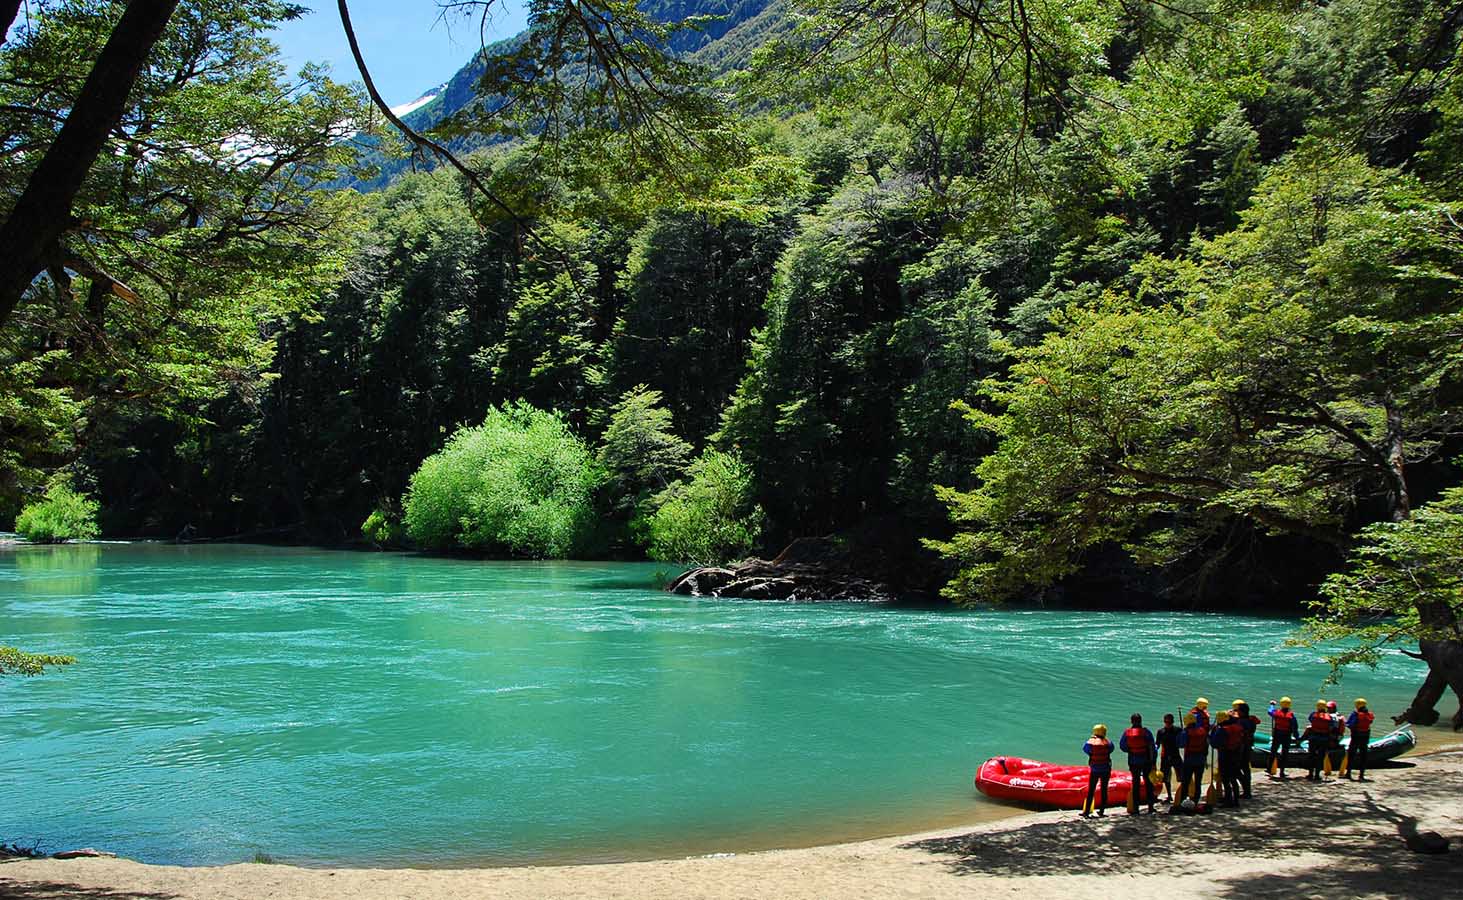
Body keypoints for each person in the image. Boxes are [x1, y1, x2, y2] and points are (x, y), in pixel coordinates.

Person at [1120, 713, 1157, 814]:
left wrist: (1132, 749)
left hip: (1133, 761)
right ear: (1141, 721)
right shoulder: (1146, 732)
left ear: (1131, 721)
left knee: (1135, 784)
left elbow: (1122, 747)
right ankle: (1150, 807)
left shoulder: (1127, 733)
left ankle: (1136, 808)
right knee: (1148, 783)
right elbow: (1152, 748)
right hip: (1146, 761)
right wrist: (1153, 761)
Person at [1210, 710, 1245, 807]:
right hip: (1236, 755)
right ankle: (1236, 800)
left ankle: (1228, 800)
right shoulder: (1237, 727)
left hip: (1225, 756)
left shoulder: (1222, 730)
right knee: (1233, 778)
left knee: (1225, 779)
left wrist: (1212, 733)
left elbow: (1214, 743)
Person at [1082, 724, 1114, 817]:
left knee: (1091, 790)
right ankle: (1102, 811)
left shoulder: (1090, 742)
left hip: (1095, 769)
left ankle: (1087, 812)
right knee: (1104, 789)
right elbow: (1111, 749)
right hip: (1106, 769)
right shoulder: (1108, 743)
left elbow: (1085, 749)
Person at [1231, 700, 1260, 799]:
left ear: (1242, 712)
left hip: (1241, 747)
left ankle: (1245, 789)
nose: (1237, 712)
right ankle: (1247, 791)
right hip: (1248, 746)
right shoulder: (1252, 721)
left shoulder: (1240, 722)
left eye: (1238, 711)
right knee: (1246, 769)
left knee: (1235, 769)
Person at [1179, 712, 1209, 805]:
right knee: (1198, 781)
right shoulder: (1202, 731)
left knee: (1186, 781)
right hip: (1200, 760)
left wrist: (1181, 734)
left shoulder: (1186, 732)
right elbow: (1206, 746)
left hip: (1189, 760)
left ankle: (1183, 800)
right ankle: (1196, 800)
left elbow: (1181, 744)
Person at [1267, 697, 1300, 778]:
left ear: (1281, 704)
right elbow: (1295, 728)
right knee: (1284, 754)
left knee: (1273, 752)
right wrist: (1297, 738)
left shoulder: (1276, 713)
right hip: (1286, 736)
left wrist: (1272, 705)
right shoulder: (1291, 716)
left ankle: (1269, 769)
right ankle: (1282, 772)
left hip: (1277, 735)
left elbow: (1270, 711)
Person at [1156, 713, 1183, 803]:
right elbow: (1157, 744)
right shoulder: (1161, 732)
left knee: (1181, 776)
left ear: (1172, 721)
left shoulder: (1178, 730)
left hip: (1176, 756)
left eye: (1169, 722)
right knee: (1166, 778)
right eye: (1166, 721)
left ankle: (1183, 794)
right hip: (1165, 757)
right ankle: (1169, 796)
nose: (1168, 723)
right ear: (1164, 721)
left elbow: (1183, 742)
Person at [1346, 698, 1375, 781]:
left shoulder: (1355, 714)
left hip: (1356, 737)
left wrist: (1346, 724)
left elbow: (1350, 724)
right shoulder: (1369, 714)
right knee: (1363, 756)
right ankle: (1361, 775)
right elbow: (1370, 722)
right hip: (1365, 737)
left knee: (1351, 754)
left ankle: (1348, 773)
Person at [1304, 700, 1334, 780]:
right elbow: (1331, 727)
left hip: (1313, 738)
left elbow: (1311, 720)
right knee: (1320, 757)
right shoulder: (1329, 717)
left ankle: (1310, 774)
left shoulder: (1313, 714)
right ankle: (1317, 775)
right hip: (1324, 739)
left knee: (1311, 756)